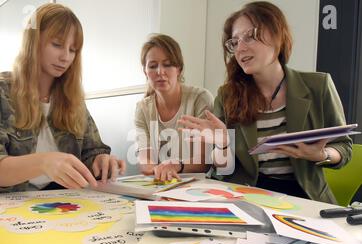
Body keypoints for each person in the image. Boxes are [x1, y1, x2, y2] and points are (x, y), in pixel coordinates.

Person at [178, 1, 352, 204]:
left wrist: (321, 154)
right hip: (247, 197)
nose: (240, 49)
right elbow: (223, 171)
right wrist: (223, 145)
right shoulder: (227, 95)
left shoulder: (318, 86)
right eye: (234, 42)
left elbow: (344, 148)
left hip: (304, 200)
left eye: (250, 37)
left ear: (277, 35)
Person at [0, 3, 126, 193]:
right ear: (34, 42)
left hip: (62, 202)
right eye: (57, 45)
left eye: (73, 49)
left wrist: (101, 161)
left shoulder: (72, 97)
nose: (65, 57)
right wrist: (43, 162)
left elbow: (93, 151)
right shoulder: (3, 91)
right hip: (13, 207)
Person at [135, 33, 214, 182]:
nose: (160, 72)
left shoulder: (200, 98)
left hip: (197, 185)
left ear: (179, 69)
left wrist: (177, 165)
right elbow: (145, 160)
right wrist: (158, 170)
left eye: (167, 64)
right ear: (145, 71)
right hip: (161, 183)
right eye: (152, 66)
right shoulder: (142, 108)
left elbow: (204, 161)